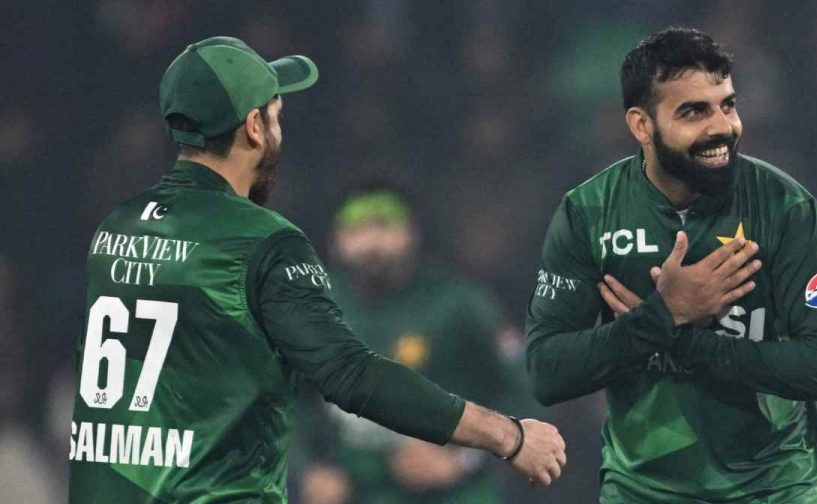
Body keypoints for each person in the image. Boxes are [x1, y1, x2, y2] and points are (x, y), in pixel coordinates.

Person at [67, 36, 565, 503]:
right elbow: (352, 374)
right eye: (276, 114)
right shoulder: (263, 241)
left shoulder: (119, 226)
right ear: (256, 128)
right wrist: (508, 435)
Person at [525, 27, 817, 503]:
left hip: (773, 488)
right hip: (643, 491)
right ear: (642, 125)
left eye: (727, 104)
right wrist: (665, 313)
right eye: (694, 111)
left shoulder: (784, 208)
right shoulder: (589, 213)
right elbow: (547, 373)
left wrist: (676, 334)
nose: (722, 127)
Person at [299, 183, 533, 503]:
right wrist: (307, 470)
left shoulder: (458, 304)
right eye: (356, 230)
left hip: (452, 494)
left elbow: (526, 390)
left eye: (385, 226)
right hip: (358, 492)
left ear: (412, 234)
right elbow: (284, 399)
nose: (372, 243)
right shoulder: (313, 308)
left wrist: (463, 459)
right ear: (335, 242)